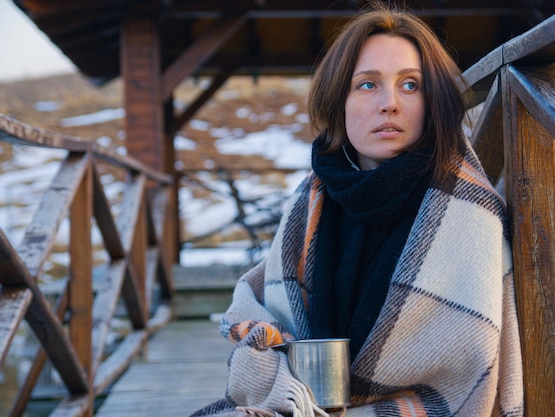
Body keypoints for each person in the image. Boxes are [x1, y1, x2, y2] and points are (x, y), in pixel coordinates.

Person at [191, 3, 523, 416]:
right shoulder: (311, 199)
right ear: (339, 101)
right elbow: (258, 305)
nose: (390, 104)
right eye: (367, 85)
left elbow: (466, 367)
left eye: (410, 85)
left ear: (433, 100)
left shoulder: (466, 211)